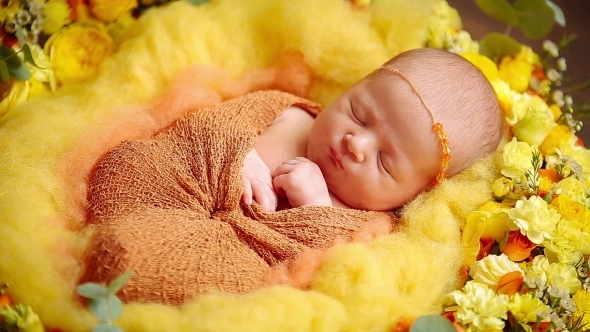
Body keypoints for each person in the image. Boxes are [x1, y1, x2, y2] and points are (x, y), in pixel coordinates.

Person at [242, 47, 503, 211]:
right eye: (358, 114)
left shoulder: (364, 225)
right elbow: (212, 120)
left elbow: (332, 272)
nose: (356, 144)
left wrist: (317, 208)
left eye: (384, 162)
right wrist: (243, 158)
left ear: (412, 197)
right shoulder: (289, 114)